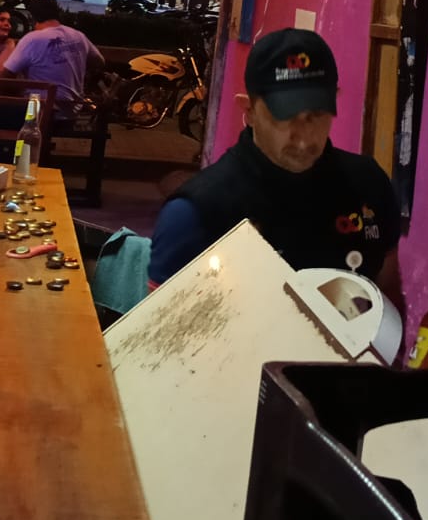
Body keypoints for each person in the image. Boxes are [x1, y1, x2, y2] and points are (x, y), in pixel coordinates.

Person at [148, 29, 405, 316]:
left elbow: (388, 302)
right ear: (249, 110)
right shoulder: (197, 213)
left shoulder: (368, 185)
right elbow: (160, 334)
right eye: (285, 117)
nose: (304, 138)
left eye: (316, 115)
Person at [4, 0, 103, 108]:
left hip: (37, 109)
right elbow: (99, 62)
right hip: (73, 110)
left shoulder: (32, 39)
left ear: (32, 17)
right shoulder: (78, 36)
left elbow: (5, 76)